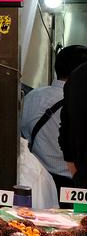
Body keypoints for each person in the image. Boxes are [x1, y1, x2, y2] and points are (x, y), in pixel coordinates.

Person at [22, 45, 87, 194]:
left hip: (39, 182)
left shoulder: (32, 97)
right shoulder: (80, 101)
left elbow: (23, 135)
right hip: (74, 184)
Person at [60, 58, 87, 188]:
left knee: (82, 209)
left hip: (83, 178)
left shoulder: (77, 76)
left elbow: (65, 130)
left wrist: (77, 174)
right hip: (81, 176)